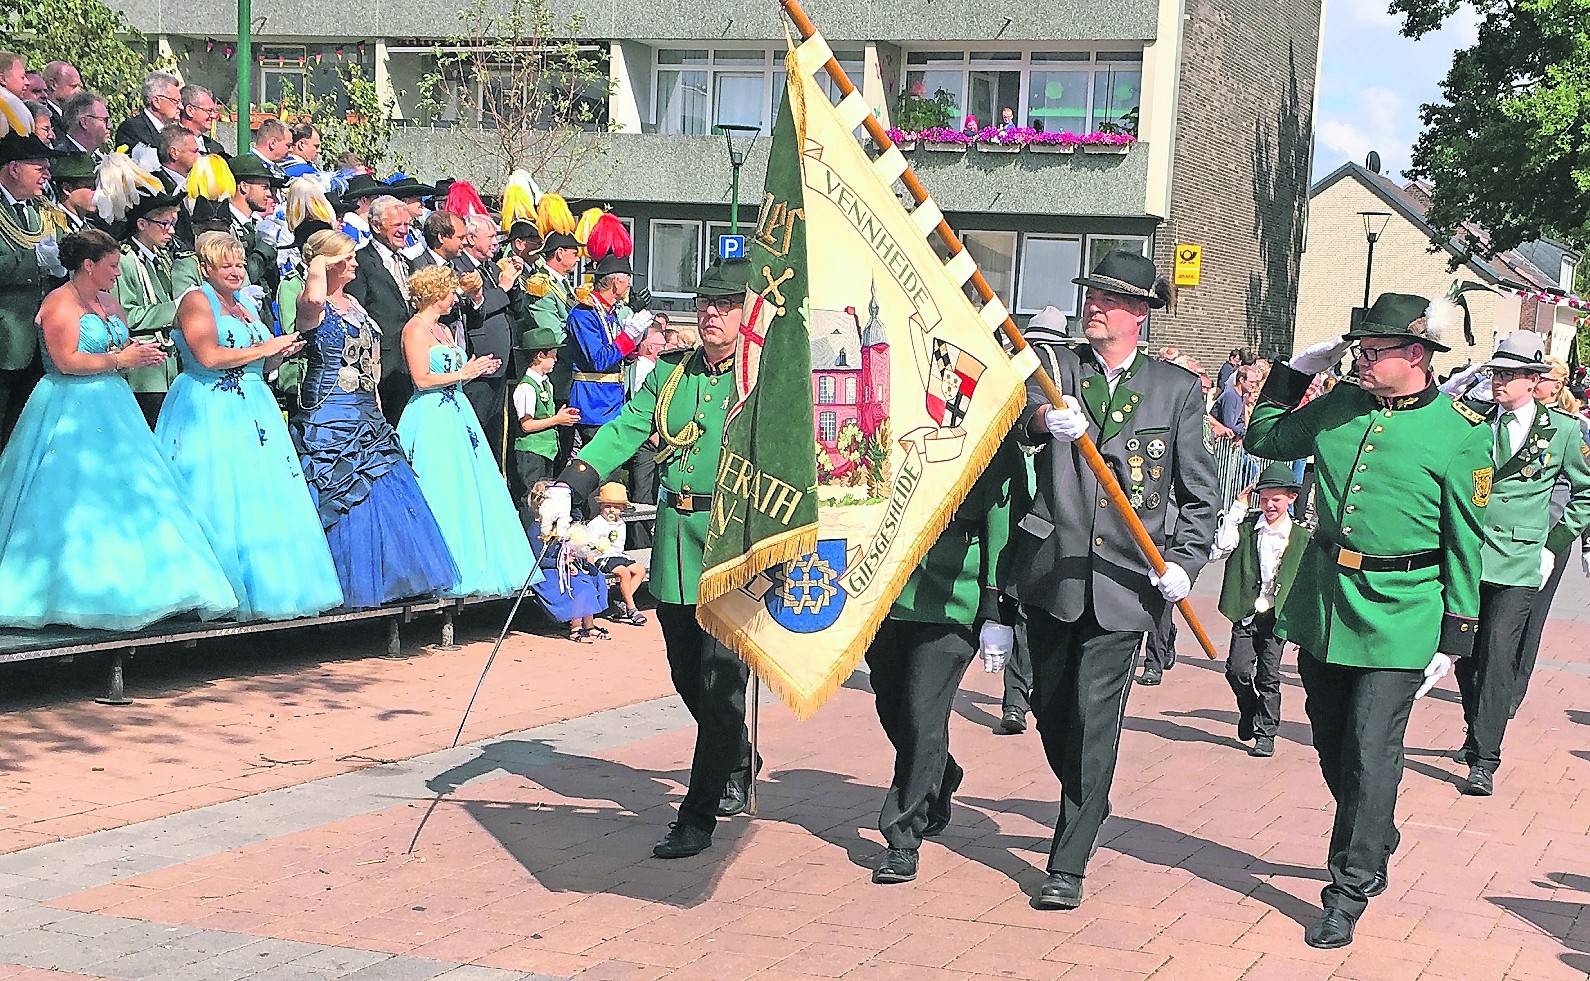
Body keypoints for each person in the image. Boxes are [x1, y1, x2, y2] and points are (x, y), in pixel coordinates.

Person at [1245, 291, 1492, 949]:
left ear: (1416, 355)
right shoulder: (1341, 405)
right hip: (1327, 601)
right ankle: (1373, 828)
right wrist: (1294, 374)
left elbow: (1468, 540)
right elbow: (1262, 435)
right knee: (1331, 740)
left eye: (1373, 351)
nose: (1360, 360)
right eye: (1358, 349)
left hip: (1403, 609)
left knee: (1369, 744)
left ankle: (1346, 891)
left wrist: (1455, 633)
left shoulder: (1461, 435)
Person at [1002, 250, 1219, 911]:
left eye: (1110, 298)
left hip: (1126, 579)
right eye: (1091, 294)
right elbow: (1023, 413)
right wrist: (1044, 421)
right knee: (1049, 709)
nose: (1094, 305)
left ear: (1139, 314)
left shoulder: (1174, 389)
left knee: (1098, 719)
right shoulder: (1058, 367)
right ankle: (1089, 792)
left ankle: (1068, 859)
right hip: (1054, 572)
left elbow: (1200, 492)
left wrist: (1185, 560)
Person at [541, 257, 760, 859]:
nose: (712, 315)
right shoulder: (670, 374)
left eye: (725, 305)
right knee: (686, 674)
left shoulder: (757, 378)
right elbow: (625, 429)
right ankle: (736, 751)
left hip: (730, 543)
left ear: (747, 313)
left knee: (720, 681)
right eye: (705, 304)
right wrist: (572, 482)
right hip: (677, 538)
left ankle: (697, 814)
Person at [0, 228, 238, 628]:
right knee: (69, 495)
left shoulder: (110, 302)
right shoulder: (59, 302)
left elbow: (118, 349)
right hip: (69, 407)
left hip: (115, 404)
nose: (116, 273)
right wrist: (121, 360)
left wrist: (137, 357)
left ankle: (160, 587)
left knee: (140, 488)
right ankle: (64, 591)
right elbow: (65, 362)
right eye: (111, 266)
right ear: (88, 265)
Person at [155, 231, 344, 620]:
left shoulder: (244, 305)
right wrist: (265, 348)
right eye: (227, 265)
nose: (237, 271)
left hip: (254, 407)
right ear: (205, 267)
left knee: (260, 495)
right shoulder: (195, 300)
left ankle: (269, 589)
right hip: (210, 407)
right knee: (219, 493)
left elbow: (256, 362)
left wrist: (278, 356)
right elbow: (207, 355)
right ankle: (215, 591)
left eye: (240, 263)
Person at [869, 437, 1024, 884]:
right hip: (889, 582)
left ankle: (901, 836)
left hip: (956, 588)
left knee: (922, 711)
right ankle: (941, 771)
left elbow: (1002, 513)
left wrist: (996, 602)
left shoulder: (987, 416)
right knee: (890, 700)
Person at [288, 230, 458, 608]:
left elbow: (371, 362)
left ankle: (393, 580)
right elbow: (315, 297)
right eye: (346, 258)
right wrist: (319, 262)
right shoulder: (310, 302)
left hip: (366, 408)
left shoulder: (354, 303)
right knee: (339, 488)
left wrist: (378, 407)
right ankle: (338, 583)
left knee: (382, 482)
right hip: (329, 409)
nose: (354, 263)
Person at [1452, 334, 1590, 796]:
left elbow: (1585, 491)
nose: (1498, 382)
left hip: (1520, 560)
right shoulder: (1474, 424)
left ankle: (1485, 758)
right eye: (1496, 373)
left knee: (1497, 656)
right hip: (1471, 557)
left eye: (1509, 375)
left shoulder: (1564, 431)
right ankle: (1476, 728)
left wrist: (1555, 541)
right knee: (1465, 657)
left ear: (1534, 381)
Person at [396, 264, 535, 598]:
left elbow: (454, 371)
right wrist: (466, 373)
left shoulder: (444, 330)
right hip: (431, 415)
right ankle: (436, 568)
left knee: (470, 485)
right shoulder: (414, 329)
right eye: (449, 292)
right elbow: (421, 379)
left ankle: (476, 562)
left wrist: (475, 370)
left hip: (458, 413)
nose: (453, 298)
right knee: (439, 484)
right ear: (435, 294)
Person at [1210, 462, 1310, 757]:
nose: (1269, 505)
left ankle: (1266, 734)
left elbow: (1307, 583)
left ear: (1291, 498)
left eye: (1276, 499)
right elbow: (1218, 548)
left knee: (1269, 675)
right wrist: (1237, 509)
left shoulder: (1302, 538)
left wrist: (1302, 624)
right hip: (1246, 611)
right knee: (1237, 671)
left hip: (1276, 617)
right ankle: (1249, 708)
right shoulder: (1247, 529)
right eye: (1264, 499)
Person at [1511, 356, 1586, 717]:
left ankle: (1512, 689)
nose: (1536, 383)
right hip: (1505, 537)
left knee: (1530, 617)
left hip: (1547, 537)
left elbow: (1580, 489)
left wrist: (1562, 540)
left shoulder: (1572, 428)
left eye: (1544, 378)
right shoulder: (1505, 419)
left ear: (1557, 385)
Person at [0, 126, 65, 450]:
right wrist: (33, 260)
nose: (46, 175)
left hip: (40, 341)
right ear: (14, 168)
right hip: (6, 339)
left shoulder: (40, 210)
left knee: (23, 435)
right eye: (39, 168)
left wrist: (59, 264)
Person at [111, 183, 187, 428]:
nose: (171, 231)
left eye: (173, 224)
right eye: (164, 224)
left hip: (167, 367)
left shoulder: (161, 256)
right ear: (142, 224)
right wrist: (176, 308)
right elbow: (126, 314)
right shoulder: (125, 259)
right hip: (144, 374)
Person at [456, 214, 522, 466]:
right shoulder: (461, 267)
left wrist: (513, 284)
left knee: (496, 434)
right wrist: (503, 288)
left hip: (501, 364)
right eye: (491, 236)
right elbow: (478, 309)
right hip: (479, 360)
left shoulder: (493, 268)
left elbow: (515, 308)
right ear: (471, 238)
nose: (496, 242)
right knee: (477, 428)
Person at [348, 195, 415, 424]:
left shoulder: (409, 263)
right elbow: (356, 312)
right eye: (397, 225)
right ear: (376, 226)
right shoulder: (361, 262)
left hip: (411, 363)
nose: (404, 231)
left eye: (407, 224)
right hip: (383, 365)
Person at [511, 326, 579, 528]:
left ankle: (543, 535)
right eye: (553, 355)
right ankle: (528, 538)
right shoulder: (526, 387)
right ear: (540, 355)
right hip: (531, 452)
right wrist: (557, 420)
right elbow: (527, 425)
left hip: (547, 451)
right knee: (532, 498)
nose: (556, 360)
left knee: (545, 498)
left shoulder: (546, 384)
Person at [527, 481, 604, 642]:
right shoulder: (536, 529)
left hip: (562, 567)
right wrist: (562, 563)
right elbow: (538, 560)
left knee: (590, 578)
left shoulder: (560, 527)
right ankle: (575, 627)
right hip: (547, 572)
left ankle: (589, 625)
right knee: (578, 586)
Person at [585, 482, 648, 626]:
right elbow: (588, 545)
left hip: (618, 555)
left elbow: (619, 547)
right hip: (602, 557)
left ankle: (623, 601)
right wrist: (590, 561)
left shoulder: (621, 524)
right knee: (624, 572)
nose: (611, 510)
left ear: (623, 509)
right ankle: (632, 608)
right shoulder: (597, 523)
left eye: (616, 507)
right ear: (601, 506)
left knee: (640, 570)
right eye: (607, 506)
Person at [115, 71, 181, 166]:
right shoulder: (132, 129)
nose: (181, 106)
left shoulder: (176, 131)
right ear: (156, 102)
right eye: (175, 101)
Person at [177, 85, 228, 157]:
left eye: (214, 111)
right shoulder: (172, 143)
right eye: (209, 111)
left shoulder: (216, 149)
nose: (214, 116)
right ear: (190, 110)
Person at [57, 92, 110, 157]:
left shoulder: (98, 158)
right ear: (84, 122)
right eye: (103, 120)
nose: (109, 126)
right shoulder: (62, 156)